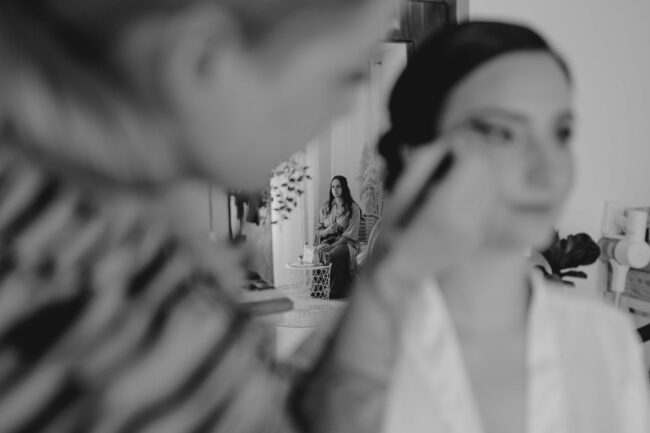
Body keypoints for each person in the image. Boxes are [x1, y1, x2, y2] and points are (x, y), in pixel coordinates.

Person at [0, 0, 433, 431]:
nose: (346, 107)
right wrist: (395, 276)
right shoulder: (107, 299)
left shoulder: (74, 212)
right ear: (201, 60)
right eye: (348, 75)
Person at [374, 21, 650, 433]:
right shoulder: (357, 358)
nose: (548, 171)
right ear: (419, 155)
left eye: (561, 133)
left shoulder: (604, 340)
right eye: (503, 133)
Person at [315, 176, 362, 299]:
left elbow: (348, 236)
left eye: (338, 186)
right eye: (332, 187)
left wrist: (332, 246)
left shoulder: (353, 209)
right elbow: (318, 232)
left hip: (347, 244)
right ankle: (320, 289)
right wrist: (327, 231)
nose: (335, 189)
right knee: (318, 251)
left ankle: (336, 291)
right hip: (329, 242)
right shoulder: (326, 208)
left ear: (344, 188)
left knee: (335, 253)